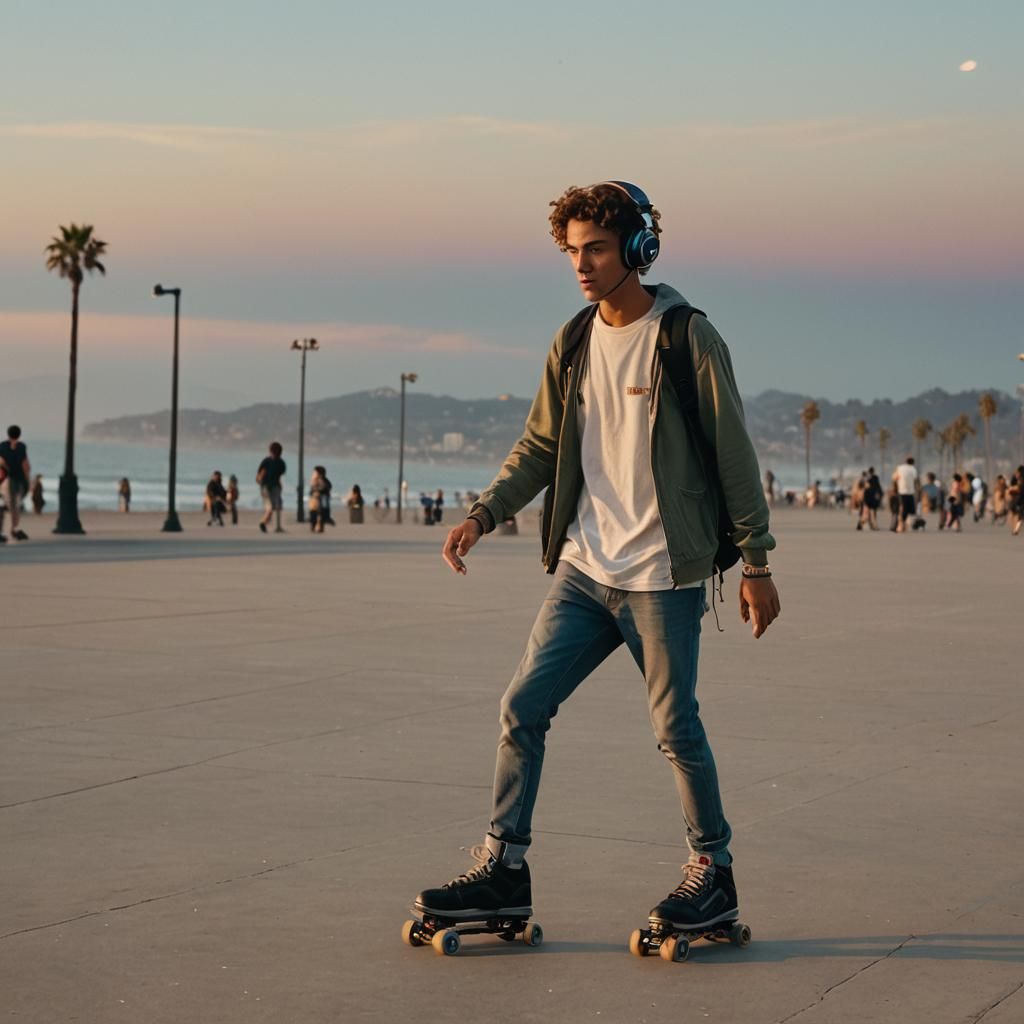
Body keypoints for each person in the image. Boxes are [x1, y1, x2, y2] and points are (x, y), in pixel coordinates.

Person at [412, 181, 780, 942]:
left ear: (639, 249)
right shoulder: (574, 339)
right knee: (522, 706)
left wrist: (756, 561)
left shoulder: (686, 337)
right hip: (585, 572)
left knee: (676, 729)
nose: (581, 264)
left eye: (597, 249)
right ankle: (504, 869)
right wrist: (484, 513)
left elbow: (733, 453)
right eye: (572, 250)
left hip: (664, 577)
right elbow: (542, 446)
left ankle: (713, 874)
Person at [0, 425, 31, 541]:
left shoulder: (2, 446)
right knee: (15, 506)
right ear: (19, 434)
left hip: (7, 479)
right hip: (19, 480)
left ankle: (9, 529)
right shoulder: (22, 447)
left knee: (9, 504)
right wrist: (28, 481)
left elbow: (1, 461)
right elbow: (26, 465)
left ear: (8, 434)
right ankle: (14, 528)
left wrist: (7, 468)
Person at [256, 442, 286, 534]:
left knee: (272, 507)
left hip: (266, 486)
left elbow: (261, 474)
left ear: (270, 451)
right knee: (275, 507)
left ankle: (266, 523)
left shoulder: (267, 461)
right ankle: (267, 523)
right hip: (273, 487)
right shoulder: (281, 463)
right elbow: (279, 476)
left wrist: (259, 481)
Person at [892, 456, 918, 533]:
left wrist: (895, 489)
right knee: (909, 510)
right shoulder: (913, 469)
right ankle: (900, 526)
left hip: (901, 492)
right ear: (913, 462)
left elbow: (894, 478)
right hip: (910, 492)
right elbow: (915, 481)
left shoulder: (900, 468)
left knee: (903, 509)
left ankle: (901, 526)